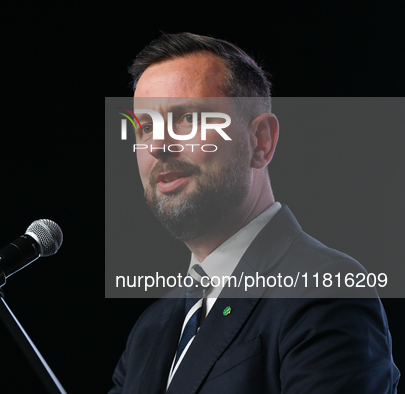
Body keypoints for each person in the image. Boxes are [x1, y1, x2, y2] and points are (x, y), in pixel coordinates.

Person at [109, 32, 399, 393]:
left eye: (187, 118)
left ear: (260, 141)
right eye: (146, 127)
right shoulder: (150, 331)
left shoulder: (325, 290)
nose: (157, 145)